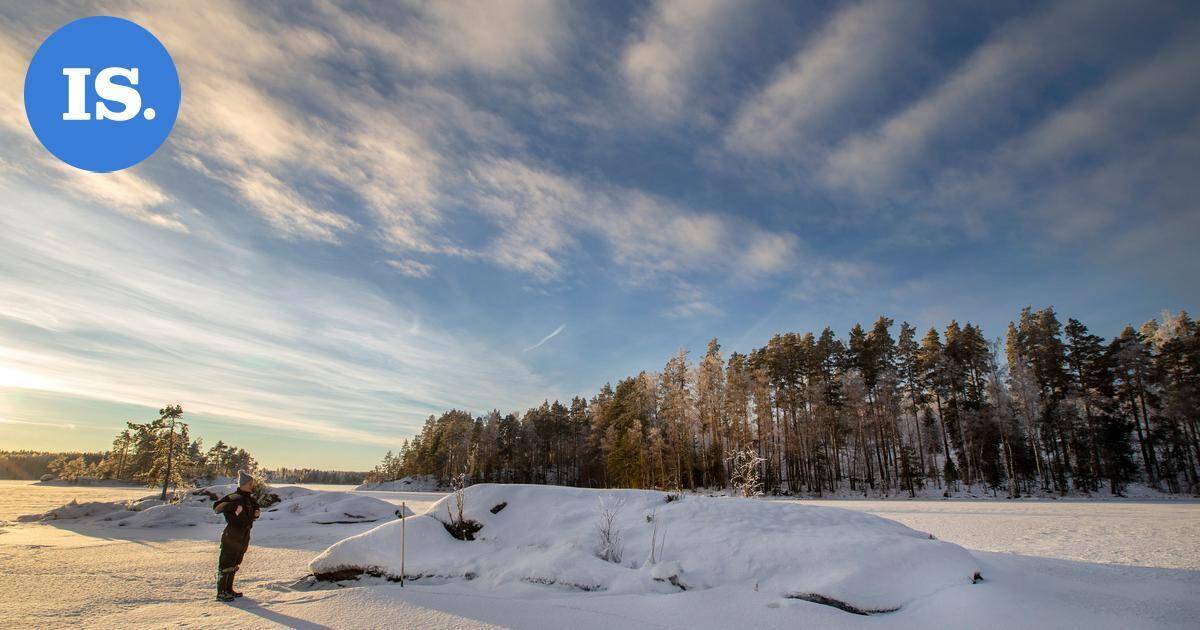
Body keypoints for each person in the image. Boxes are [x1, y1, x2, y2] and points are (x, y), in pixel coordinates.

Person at [212, 470, 261, 602]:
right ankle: (221, 592)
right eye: (250, 483)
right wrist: (233, 507)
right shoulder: (234, 497)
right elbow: (217, 508)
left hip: (244, 534)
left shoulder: (250, 499)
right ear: (243, 484)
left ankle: (229, 589)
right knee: (226, 562)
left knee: (235, 562)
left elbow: (255, 511)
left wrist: (256, 513)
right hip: (232, 534)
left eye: (252, 483)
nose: (252, 485)